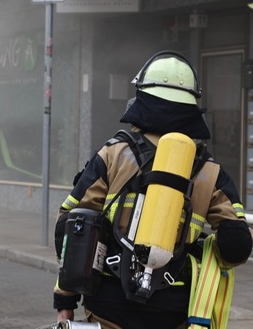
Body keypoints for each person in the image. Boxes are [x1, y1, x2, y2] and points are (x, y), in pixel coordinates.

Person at [53, 51, 252, 328]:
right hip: (172, 308)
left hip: (108, 305)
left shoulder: (113, 155)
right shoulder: (210, 172)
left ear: (142, 100)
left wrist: (64, 302)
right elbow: (237, 247)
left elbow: (73, 228)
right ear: (192, 110)